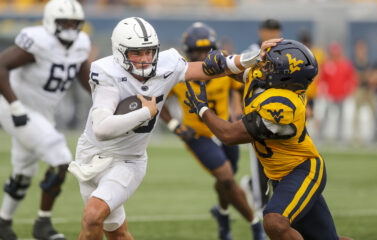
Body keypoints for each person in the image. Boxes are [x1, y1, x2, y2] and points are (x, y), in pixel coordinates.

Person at [67, 17, 281, 239]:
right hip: (91, 156)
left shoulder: (167, 64)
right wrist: (147, 113)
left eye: (149, 51)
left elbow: (216, 67)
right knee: (117, 233)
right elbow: (101, 129)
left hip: (128, 159)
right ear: (120, 52)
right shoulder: (106, 71)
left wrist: (255, 57)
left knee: (93, 216)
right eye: (136, 53)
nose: (145, 59)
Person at [185, 39, 352, 240]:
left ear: (284, 76)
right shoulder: (271, 81)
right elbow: (237, 71)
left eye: (270, 65)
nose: (263, 68)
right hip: (281, 175)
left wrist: (203, 109)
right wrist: (222, 58)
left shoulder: (284, 106)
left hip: (302, 171)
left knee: (274, 222)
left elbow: (228, 135)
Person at [160, 22, 265, 240]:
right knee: (226, 176)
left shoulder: (221, 67)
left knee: (225, 182)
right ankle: (256, 225)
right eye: (197, 51)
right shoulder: (178, 74)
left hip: (225, 130)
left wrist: (238, 111)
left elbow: (238, 89)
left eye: (206, 49)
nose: (202, 55)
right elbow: (157, 102)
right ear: (189, 52)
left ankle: (223, 216)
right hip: (198, 134)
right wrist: (174, 125)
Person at [0, 0, 91, 239]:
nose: (70, 27)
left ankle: (3, 223)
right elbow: (1, 65)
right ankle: (43, 224)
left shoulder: (81, 44)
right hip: (17, 107)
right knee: (60, 158)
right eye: (65, 22)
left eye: (75, 23)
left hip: (43, 113)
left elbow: (87, 78)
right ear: (52, 22)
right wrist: (15, 105)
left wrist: (106, 99)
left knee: (24, 171)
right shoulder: (38, 41)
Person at [241, 18, 282, 215]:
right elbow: (244, 78)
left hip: (278, 111)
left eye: (275, 30)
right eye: (269, 30)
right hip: (257, 109)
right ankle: (260, 204)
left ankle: (253, 187)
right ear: (261, 32)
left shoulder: (285, 51)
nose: (272, 34)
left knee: (278, 157)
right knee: (259, 157)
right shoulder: (252, 51)